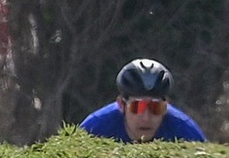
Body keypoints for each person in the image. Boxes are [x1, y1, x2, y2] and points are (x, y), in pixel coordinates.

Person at [79, 59, 209, 143]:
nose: (146, 118)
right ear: (121, 105)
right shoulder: (93, 128)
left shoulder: (187, 133)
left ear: (166, 107)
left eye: (155, 108)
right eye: (137, 107)